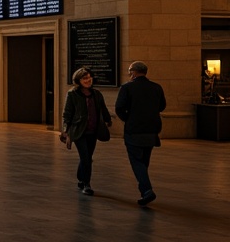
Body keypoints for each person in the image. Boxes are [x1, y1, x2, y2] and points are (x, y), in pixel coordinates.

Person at [115, 61, 166, 206]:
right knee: (144, 160)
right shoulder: (156, 87)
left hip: (134, 130)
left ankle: (147, 190)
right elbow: (162, 106)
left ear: (133, 72)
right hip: (152, 130)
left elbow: (119, 108)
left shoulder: (127, 88)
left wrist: (128, 119)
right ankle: (144, 189)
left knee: (136, 161)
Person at [61, 67, 112, 196]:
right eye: (85, 78)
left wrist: (107, 120)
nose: (88, 80)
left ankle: (80, 177)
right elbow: (67, 113)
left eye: (89, 77)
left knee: (88, 157)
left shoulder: (96, 94)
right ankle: (86, 184)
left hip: (93, 130)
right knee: (85, 157)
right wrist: (66, 131)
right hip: (78, 130)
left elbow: (103, 109)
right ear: (78, 80)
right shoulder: (73, 94)